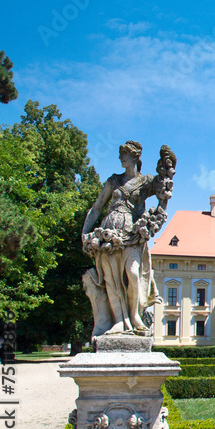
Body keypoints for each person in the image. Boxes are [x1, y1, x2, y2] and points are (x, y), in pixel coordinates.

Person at [82, 141, 175, 338]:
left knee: (133, 274)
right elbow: (97, 207)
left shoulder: (145, 181)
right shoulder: (113, 181)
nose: (121, 157)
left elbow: (163, 189)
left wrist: (167, 166)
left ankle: (134, 317)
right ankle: (117, 322)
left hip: (132, 234)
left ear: (135, 156)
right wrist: (86, 231)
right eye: (121, 154)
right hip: (108, 234)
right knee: (112, 279)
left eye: (124, 154)